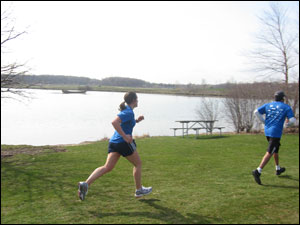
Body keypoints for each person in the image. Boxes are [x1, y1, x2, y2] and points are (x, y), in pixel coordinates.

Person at [78, 92, 152, 200]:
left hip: (114, 143)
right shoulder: (128, 112)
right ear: (134, 100)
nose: (138, 101)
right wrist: (126, 137)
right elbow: (114, 122)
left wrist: (137, 121)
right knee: (138, 164)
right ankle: (139, 190)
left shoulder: (128, 111)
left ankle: (85, 184)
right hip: (123, 143)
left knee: (107, 167)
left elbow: (124, 124)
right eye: (137, 99)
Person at [252, 91, 296, 185]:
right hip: (275, 133)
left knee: (275, 149)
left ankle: (278, 168)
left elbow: (256, 112)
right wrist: (288, 125)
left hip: (267, 131)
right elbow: (292, 120)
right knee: (270, 151)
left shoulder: (268, 105)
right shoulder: (286, 107)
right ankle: (258, 171)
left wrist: (264, 122)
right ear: (282, 98)